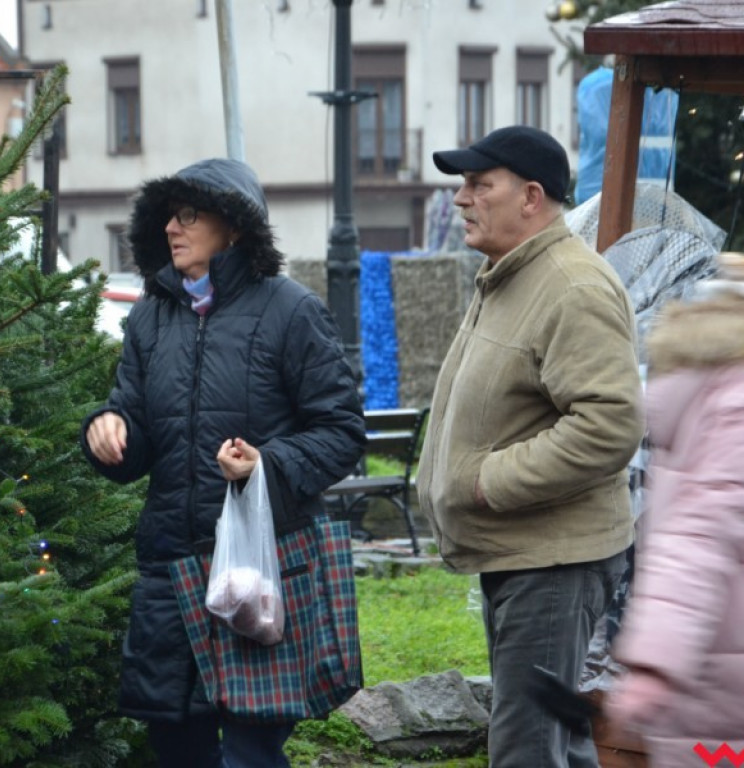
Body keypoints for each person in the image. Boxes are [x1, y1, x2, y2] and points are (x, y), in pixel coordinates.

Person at [79, 157, 365, 768]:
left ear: (234, 227)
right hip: (170, 568)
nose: (172, 229)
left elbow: (341, 431)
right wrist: (108, 430)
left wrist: (266, 464)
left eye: (189, 215)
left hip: (259, 571)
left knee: (249, 753)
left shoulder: (291, 310)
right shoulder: (151, 315)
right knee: (175, 744)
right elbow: (133, 419)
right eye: (168, 217)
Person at [415, 125, 645, 768]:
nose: (461, 199)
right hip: (526, 554)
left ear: (531, 197)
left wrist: (487, 481)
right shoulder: (512, 274)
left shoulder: (572, 286)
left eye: (478, 184)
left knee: (526, 751)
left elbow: (609, 425)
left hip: (553, 563)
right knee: (556, 745)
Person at [605, 252, 744, 768]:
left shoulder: (703, 390)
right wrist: (656, 664)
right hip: (718, 688)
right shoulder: (735, 401)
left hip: (704, 674)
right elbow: (700, 534)